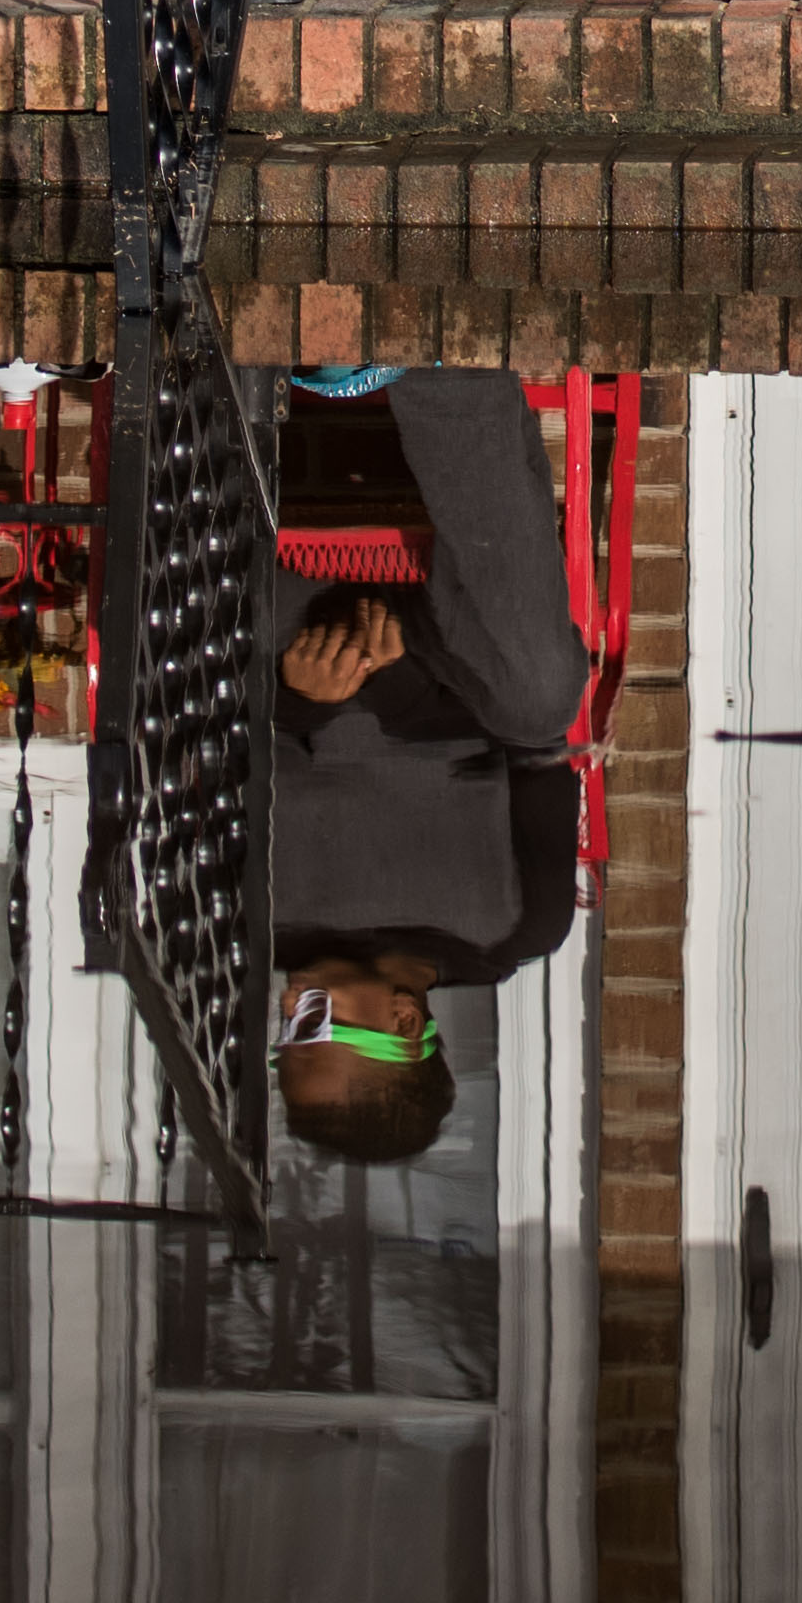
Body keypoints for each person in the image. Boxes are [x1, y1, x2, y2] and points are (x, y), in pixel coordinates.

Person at [265, 367, 602, 1164]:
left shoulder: (254, 921)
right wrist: (406, 665)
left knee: (174, 652)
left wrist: (301, 698)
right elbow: (534, 751)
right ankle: (442, 364)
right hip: (451, 650)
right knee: (542, 694)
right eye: (315, 1024)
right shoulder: (517, 922)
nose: (290, 1004)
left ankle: (210, 358)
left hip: (281, 635)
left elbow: (211, 757)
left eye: (287, 1030)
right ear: (403, 1022)